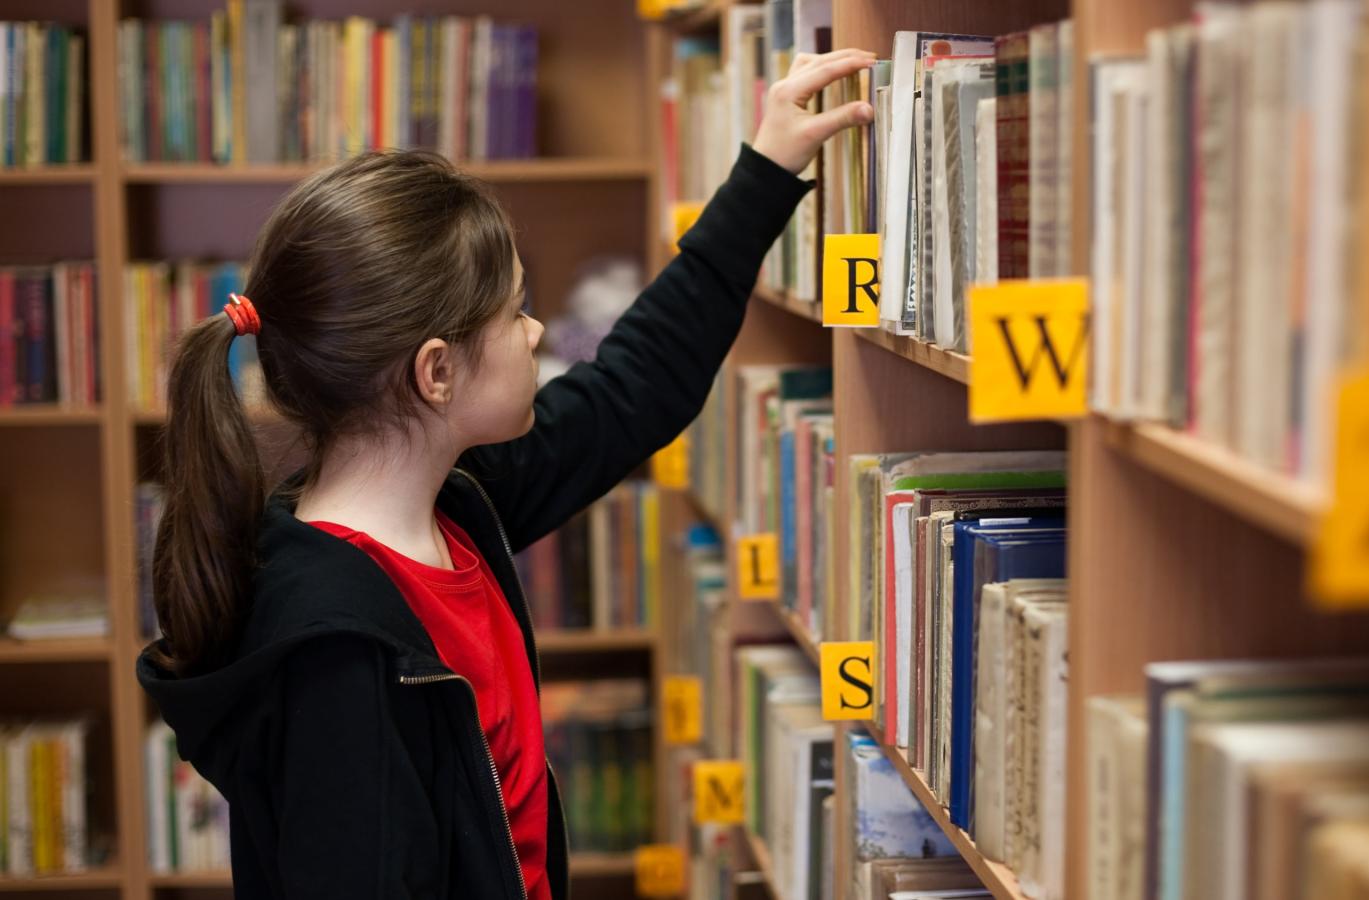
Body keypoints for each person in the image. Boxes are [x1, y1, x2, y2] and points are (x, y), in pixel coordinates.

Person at [137, 48, 876, 900]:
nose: (536, 334)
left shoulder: (453, 504)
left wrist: (767, 172)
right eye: (517, 311)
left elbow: (628, 390)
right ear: (437, 373)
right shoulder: (338, 658)